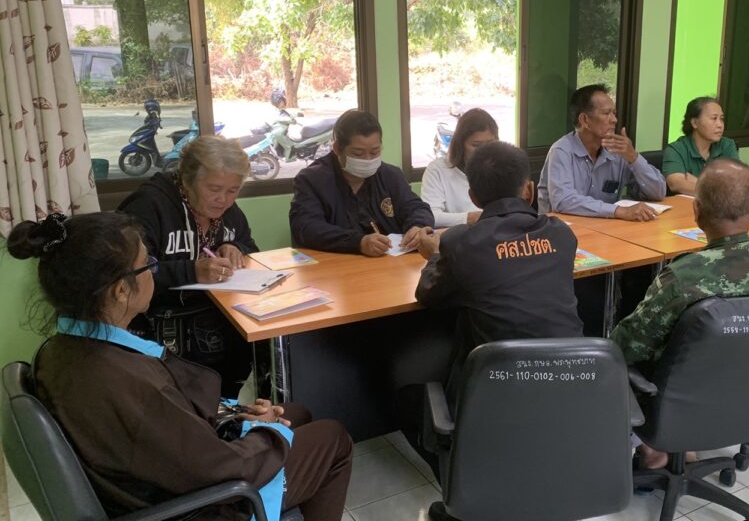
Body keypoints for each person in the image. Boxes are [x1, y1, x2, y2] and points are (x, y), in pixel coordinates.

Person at [7, 212, 353, 521]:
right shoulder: (129, 384)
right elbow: (219, 466)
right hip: (197, 504)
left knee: (297, 413)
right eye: (148, 264)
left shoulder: (61, 349)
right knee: (333, 438)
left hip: (149, 476)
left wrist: (240, 416)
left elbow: (171, 427)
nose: (154, 271)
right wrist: (266, 431)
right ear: (120, 291)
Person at [415, 141, 583, 521]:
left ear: (473, 196)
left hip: (496, 390)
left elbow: (428, 295)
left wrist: (435, 255)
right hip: (569, 384)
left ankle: (466, 491)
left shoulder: (461, 242)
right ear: (529, 190)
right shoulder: (561, 235)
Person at [610, 159, 749, 469]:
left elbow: (627, 346)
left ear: (696, 211)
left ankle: (653, 448)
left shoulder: (683, 276)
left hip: (679, 404)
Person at [118, 134, 257, 396]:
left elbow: (250, 245)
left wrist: (236, 247)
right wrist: (191, 271)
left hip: (218, 326)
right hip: (163, 334)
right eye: (214, 189)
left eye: (233, 190)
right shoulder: (149, 206)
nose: (223, 200)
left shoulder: (228, 210)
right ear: (187, 179)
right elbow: (127, 275)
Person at [290, 109, 434, 256]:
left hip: (390, 263)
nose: (368, 159)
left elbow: (417, 208)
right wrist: (358, 242)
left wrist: (417, 226)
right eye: (358, 153)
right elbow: (306, 227)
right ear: (337, 149)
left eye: (374, 152)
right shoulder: (312, 180)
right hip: (337, 264)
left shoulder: (390, 175)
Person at [537, 84, 666, 221]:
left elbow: (658, 193)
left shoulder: (617, 151)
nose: (614, 120)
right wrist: (619, 211)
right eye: (606, 113)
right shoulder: (561, 151)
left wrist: (634, 157)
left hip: (604, 228)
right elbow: (563, 201)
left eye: (614, 113)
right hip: (562, 229)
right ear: (585, 120)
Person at [420, 108, 499, 227]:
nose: (484, 151)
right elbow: (430, 215)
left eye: (490, 144)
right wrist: (469, 218)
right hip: (455, 236)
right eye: (476, 145)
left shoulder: (503, 168)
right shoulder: (437, 170)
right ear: (460, 144)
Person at [662, 97, 739, 195]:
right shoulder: (676, 149)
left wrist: (699, 182)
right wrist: (719, 189)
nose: (720, 125)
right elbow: (676, 184)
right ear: (695, 123)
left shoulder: (727, 145)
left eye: (721, 119)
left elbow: (736, 182)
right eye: (714, 118)